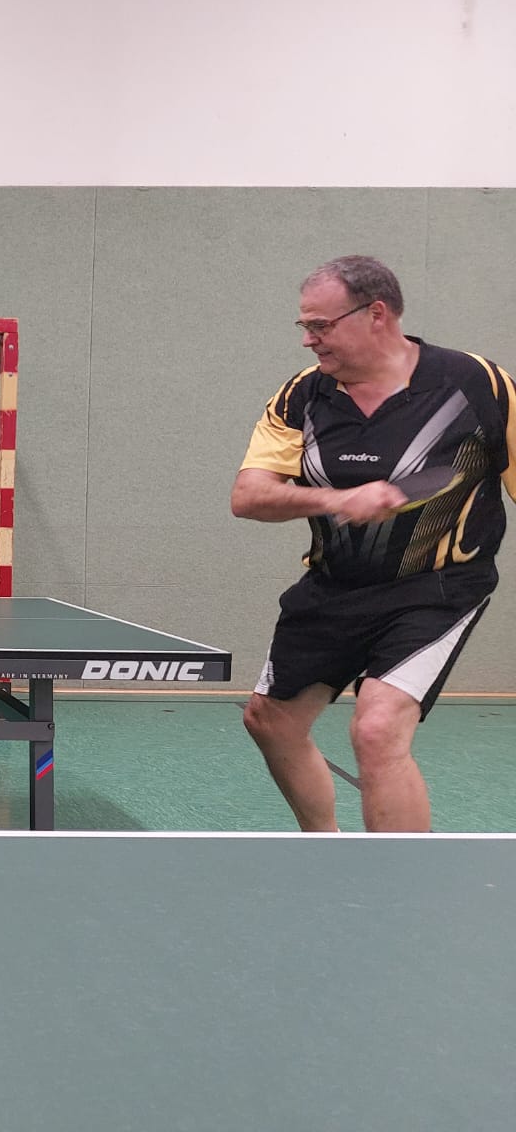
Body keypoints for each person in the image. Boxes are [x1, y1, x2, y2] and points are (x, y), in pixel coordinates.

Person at [232, 256, 516, 832]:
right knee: (271, 722)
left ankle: (402, 880)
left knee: (377, 729)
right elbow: (249, 496)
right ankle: (327, 847)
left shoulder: (478, 384)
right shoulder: (302, 395)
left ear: (376, 314)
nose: (309, 339)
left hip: (437, 588)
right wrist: (337, 498)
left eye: (320, 325)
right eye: (305, 326)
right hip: (333, 586)